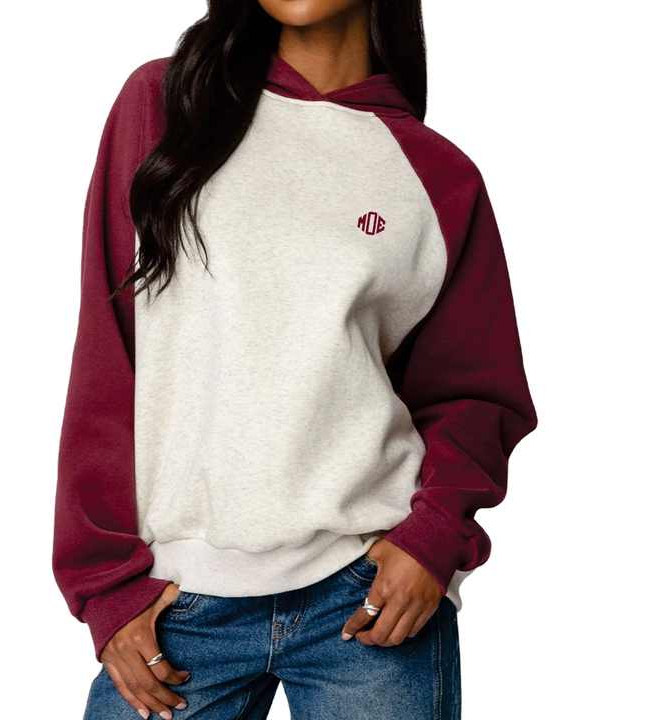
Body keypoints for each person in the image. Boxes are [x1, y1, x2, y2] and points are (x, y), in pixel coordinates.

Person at [53, 1, 538, 718]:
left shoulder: (438, 175)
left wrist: (431, 540)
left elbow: (475, 394)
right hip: (179, 603)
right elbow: (108, 352)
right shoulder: (164, 106)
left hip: (369, 598)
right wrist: (106, 585)